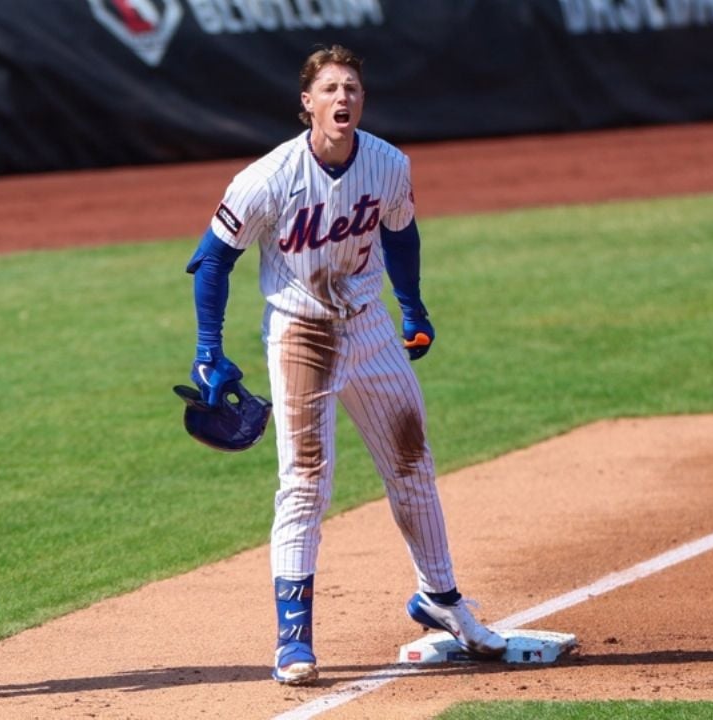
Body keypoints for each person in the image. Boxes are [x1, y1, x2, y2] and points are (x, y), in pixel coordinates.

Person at [185, 44, 506, 685]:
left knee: (413, 464)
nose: (343, 98)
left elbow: (401, 232)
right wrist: (207, 350)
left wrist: (413, 308)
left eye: (352, 88)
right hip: (301, 334)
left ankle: (439, 599)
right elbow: (212, 259)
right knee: (305, 483)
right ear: (307, 103)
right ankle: (294, 638)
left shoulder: (388, 163)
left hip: (370, 329)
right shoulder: (269, 177)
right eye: (330, 88)